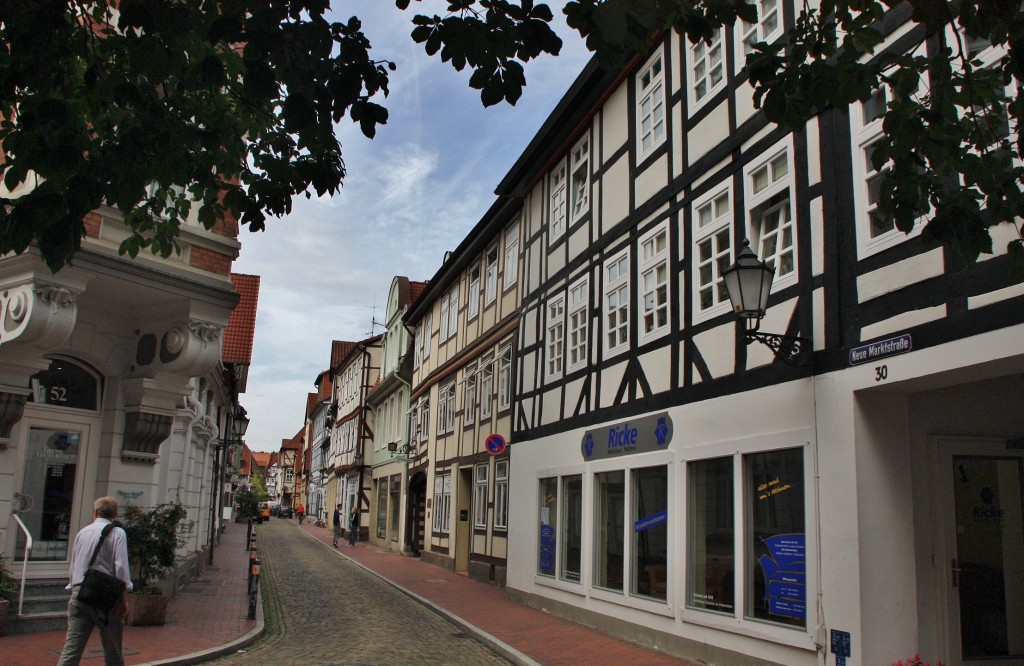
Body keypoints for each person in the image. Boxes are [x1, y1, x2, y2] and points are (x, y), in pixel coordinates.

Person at [57, 496, 133, 666]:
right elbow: (121, 567)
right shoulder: (117, 533)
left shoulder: (82, 532)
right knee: (113, 649)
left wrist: (74, 588)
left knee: (71, 649)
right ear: (115, 514)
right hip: (106, 598)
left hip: (81, 593)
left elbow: (75, 564)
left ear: (96, 512)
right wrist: (124, 598)